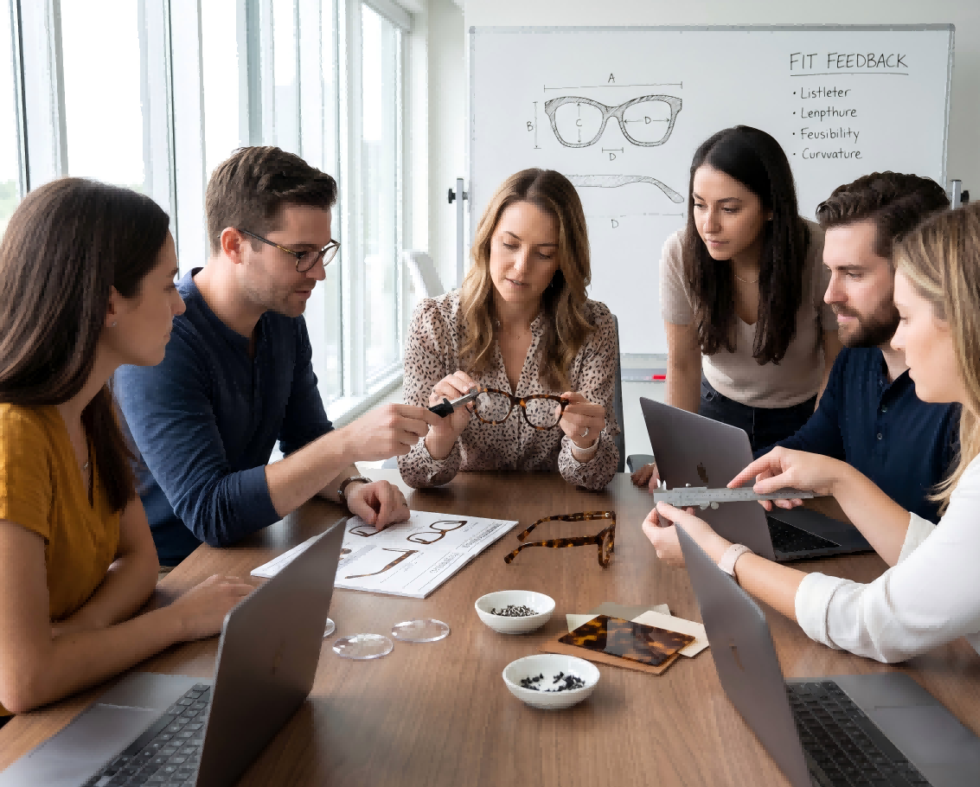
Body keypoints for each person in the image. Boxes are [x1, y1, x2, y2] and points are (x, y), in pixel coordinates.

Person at [644, 200, 980, 693]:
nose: (900, 342)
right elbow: (941, 567)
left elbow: (876, 624)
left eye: (907, 318)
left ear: (969, 323)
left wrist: (719, 555)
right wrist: (838, 478)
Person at [0, 179, 254, 719]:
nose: (179, 307)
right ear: (109, 303)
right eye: (166, 286)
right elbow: (23, 682)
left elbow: (140, 561)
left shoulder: (91, 405)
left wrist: (81, 632)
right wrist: (179, 620)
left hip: (73, 694)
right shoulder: (13, 436)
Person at [115, 147, 442, 566]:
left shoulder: (280, 317)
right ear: (235, 245)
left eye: (322, 251)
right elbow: (211, 513)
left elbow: (307, 438)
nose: (318, 271)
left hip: (251, 546)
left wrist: (351, 487)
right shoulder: (164, 340)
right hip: (171, 570)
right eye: (300, 254)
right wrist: (348, 443)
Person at [632, 125, 840, 489]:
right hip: (716, 411)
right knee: (705, 511)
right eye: (699, 205)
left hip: (803, 416)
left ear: (770, 207)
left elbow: (836, 365)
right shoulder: (681, 253)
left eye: (729, 209)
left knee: (794, 515)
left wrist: (817, 444)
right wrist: (672, 453)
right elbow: (682, 362)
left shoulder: (818, 252)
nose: (708, 225)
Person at [398, 168, 619, 490]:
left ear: (563, 260)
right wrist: (440, 436)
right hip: (465, 506)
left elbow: (597, 476)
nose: (521, 267)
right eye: (510, 244)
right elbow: (413, 471)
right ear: (488, 240)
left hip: (557, 506)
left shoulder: (593, 326)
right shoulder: (434, 322)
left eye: (544, 254)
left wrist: (584, 444)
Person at [769, 172, 958, 521]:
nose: (830, 295)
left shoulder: (964, 395)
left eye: (853, 274)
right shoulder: (856, 357)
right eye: (830, 272)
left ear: (916, 274)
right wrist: (720, 478)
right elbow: (810, 448)